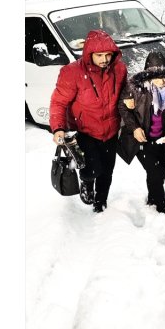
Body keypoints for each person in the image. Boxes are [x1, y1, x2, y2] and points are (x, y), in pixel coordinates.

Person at [49, 30, 128, 213]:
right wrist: (58, 128)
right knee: (92, 169)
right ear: (89, 54)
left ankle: (101, 202)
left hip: (110, 130)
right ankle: (86, 182)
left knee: (107, 171)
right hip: (85, 130)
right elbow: (58, 102)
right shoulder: (72, 72)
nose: (104, 59)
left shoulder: (120, 69)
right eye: (99, 55)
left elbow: (126, 94)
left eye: (108, 55)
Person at [117, 51, 165, 213]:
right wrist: (135, 127)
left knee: (161, 170)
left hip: (164, 139)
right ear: (148, 75)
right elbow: (122, 107)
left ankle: (153, 197)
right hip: (144, 140)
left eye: (164, 76)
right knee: (154, 171)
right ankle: (159, 205)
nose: (162, 81)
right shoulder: (136, 89)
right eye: (156, 76)